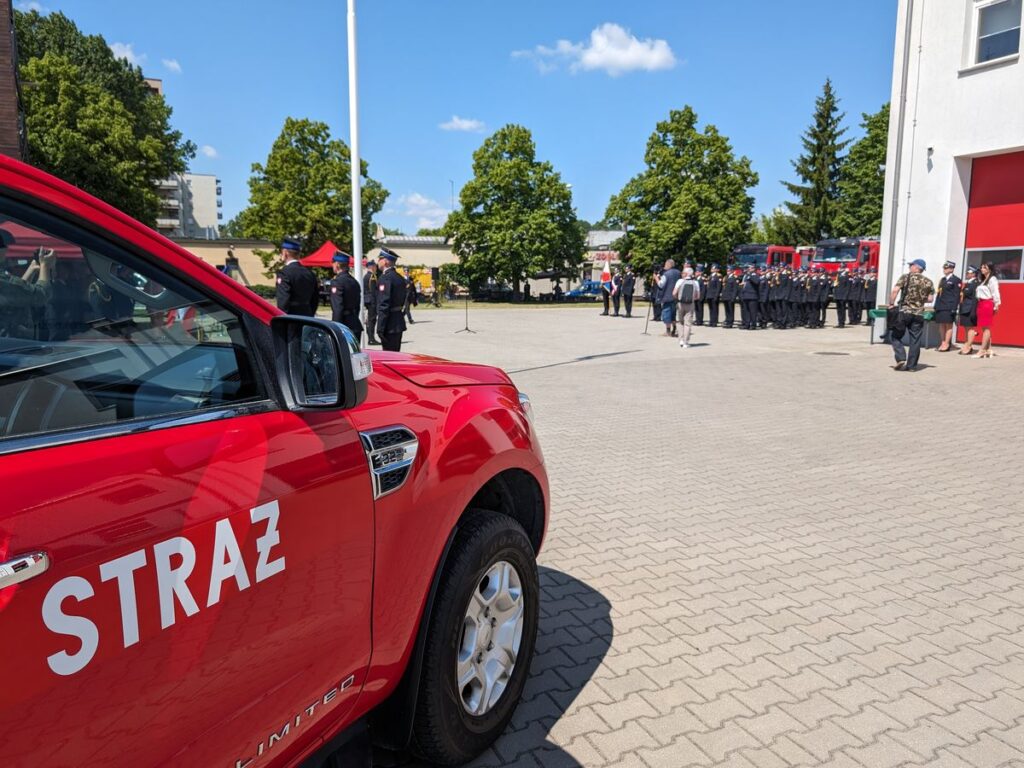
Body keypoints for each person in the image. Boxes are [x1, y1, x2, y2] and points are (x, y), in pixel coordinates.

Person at [0, 229, 56, 339]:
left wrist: (31, 269)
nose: (6, 248)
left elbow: (17, 293)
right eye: (2, 245)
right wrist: (45, 266)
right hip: (10, 348)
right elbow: (41, 295)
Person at [888, 258, 935, 372]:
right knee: (915, 340)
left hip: (905, 312)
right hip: (919, 314)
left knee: (895, 335)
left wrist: (891, 303)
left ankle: (901, 357)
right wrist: (919, 299)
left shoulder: (905, 277)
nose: (909, 267)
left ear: (916, 267)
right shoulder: (929, 281)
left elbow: (895, 291)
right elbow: (930, 299)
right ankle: (912, 366)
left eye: (911, 265)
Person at [275, 237, 319, 317]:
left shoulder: (284, 273)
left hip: (291, 318)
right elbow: (315, 300)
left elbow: (283, 302)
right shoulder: (309, 273)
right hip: (307, 316)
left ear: (285, 253)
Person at [376, 248, 408, 351]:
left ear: (385, 261)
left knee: (388, 356)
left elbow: (384, 304)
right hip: (398, 321)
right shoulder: (399, 277)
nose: (378, 262)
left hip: (389, 324)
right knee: (396, 355)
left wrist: (380, 327)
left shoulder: (385, 278)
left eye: (379, 259)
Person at [329, 252, 363, 338]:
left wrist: (335, 329)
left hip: (343, 326)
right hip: (355, 324)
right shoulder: (354, 282)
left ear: (337, 264)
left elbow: (338, 308)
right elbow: (357, 306)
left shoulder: (337, 282)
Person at [974, 262, 1001, 359]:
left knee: (986, 328)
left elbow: (995, 292)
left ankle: (982, 350)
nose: (982, 269)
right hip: (981, 303)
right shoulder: (983, 279)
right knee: (984, 327)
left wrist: (997, 304)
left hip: (987, 304)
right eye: (981, 267)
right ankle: (988, 349)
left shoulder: (992, 279)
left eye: (984, 267)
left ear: (989, 269)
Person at [934, 260, 962, 352]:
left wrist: (954, 308)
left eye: (946, 268)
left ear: (951, 269)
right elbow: (939, 293)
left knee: (948, 325)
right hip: (941, 305)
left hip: (949, 306)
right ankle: (942, 342)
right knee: (941, 325)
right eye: (944, 268)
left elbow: (957, 295)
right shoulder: (943, 280)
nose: (944, 269)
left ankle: (947, 343)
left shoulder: (956, 280)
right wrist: (936, 305)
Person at [673, 266, 701, 348]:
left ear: (687, 274)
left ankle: (681, 340)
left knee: (680, 322)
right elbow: (698, 296)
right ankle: (686, 342)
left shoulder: (680, 281)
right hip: (690, 304)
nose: (682, 274)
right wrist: (692, 299)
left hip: (680, 303)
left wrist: (678, 298)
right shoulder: (695, 283)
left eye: (683, 273)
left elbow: (674, 293)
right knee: (688, 323)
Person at [958, 265, 981, 355]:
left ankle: (969, 346)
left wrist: (973, 311)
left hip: (970, 309)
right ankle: (967, 344)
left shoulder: (975, 283)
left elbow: (975, 299)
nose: (966, 274)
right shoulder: (968, 283)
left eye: (968, 272)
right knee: (966, 328)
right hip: (965, 308)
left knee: (970, 328)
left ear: (973, 274)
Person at [655, 259, 681, 336]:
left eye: (666, 264)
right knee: (673, 314)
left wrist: (656, 278)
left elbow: (660, 284)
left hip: (667, 296)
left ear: (669, 265)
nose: (664, 266)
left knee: (666, 313)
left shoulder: (666, 274)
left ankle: (668, 331)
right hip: (675, 296)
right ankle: (674, 329)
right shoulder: (678, 272)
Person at [362, 259, 380, 345]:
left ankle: (370, 337)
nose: (376, 268)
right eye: (375, 266)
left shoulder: (366, 276)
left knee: (369, 320)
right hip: (372, 301)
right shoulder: (372, 277)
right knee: (371, 320)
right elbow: (373, 292)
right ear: (372, 267)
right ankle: (371, 338)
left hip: (368, 300)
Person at [739, 264, 760, 330]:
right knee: (746, 311)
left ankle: (753, 325)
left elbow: (757, 282)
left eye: (750, 268)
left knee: (753, 311)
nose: (749, 269)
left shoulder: (755, 275)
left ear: (754, 269)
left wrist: (750, 276)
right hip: (746, 295)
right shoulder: (747, 275)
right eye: (749, 268)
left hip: (752, 296)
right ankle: (747, 324)